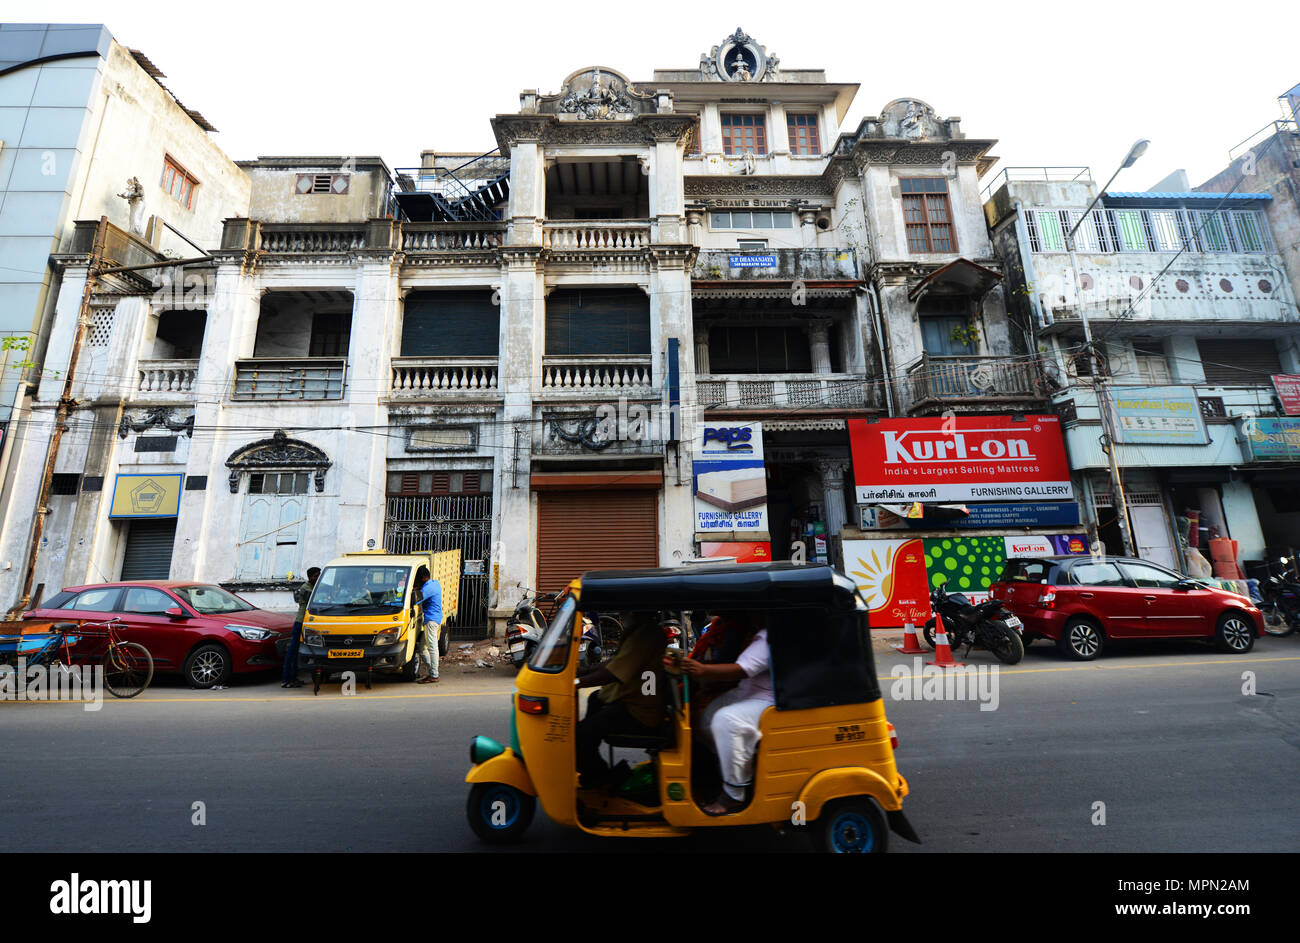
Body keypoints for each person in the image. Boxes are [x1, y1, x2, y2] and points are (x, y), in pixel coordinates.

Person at [677, 623, 773, 815]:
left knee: (726, 719)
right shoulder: (748, 631)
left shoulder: (768, 635)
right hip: (748, 691)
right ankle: (732, 764)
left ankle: (734, 794)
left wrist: (702, 670)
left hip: (769, 698)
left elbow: (742, 669)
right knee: (705, 717)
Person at [575, 612, 668, 788]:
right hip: (632, 700)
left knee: (582, 733)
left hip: (640, 711)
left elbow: (614, 671)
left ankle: (601, 778)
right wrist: (584, 672)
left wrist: (577, 683)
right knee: (595, 699)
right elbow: (614, 662)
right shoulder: (638, 631)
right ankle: (593, 771)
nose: (622, 612)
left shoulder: (646, 636)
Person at [282, 567, 320, 688]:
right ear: (310, 577)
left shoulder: (313, 587)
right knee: (292, 652)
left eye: (319, 575)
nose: (318, 578)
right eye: (316, 576)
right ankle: (286, 679)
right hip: (300, 622)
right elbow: (314, 599)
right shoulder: (306, 588)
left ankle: (292, 678)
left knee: (297, 652)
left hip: (307, 622)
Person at [414, 565, 442, 684]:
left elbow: (416, 599)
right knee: (422, 648)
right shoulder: (435, 583)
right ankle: (432, 671)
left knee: (432, 648)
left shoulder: (428, 588)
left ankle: (434, 675)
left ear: (423, 578)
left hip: (431, 621)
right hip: (433, 619)